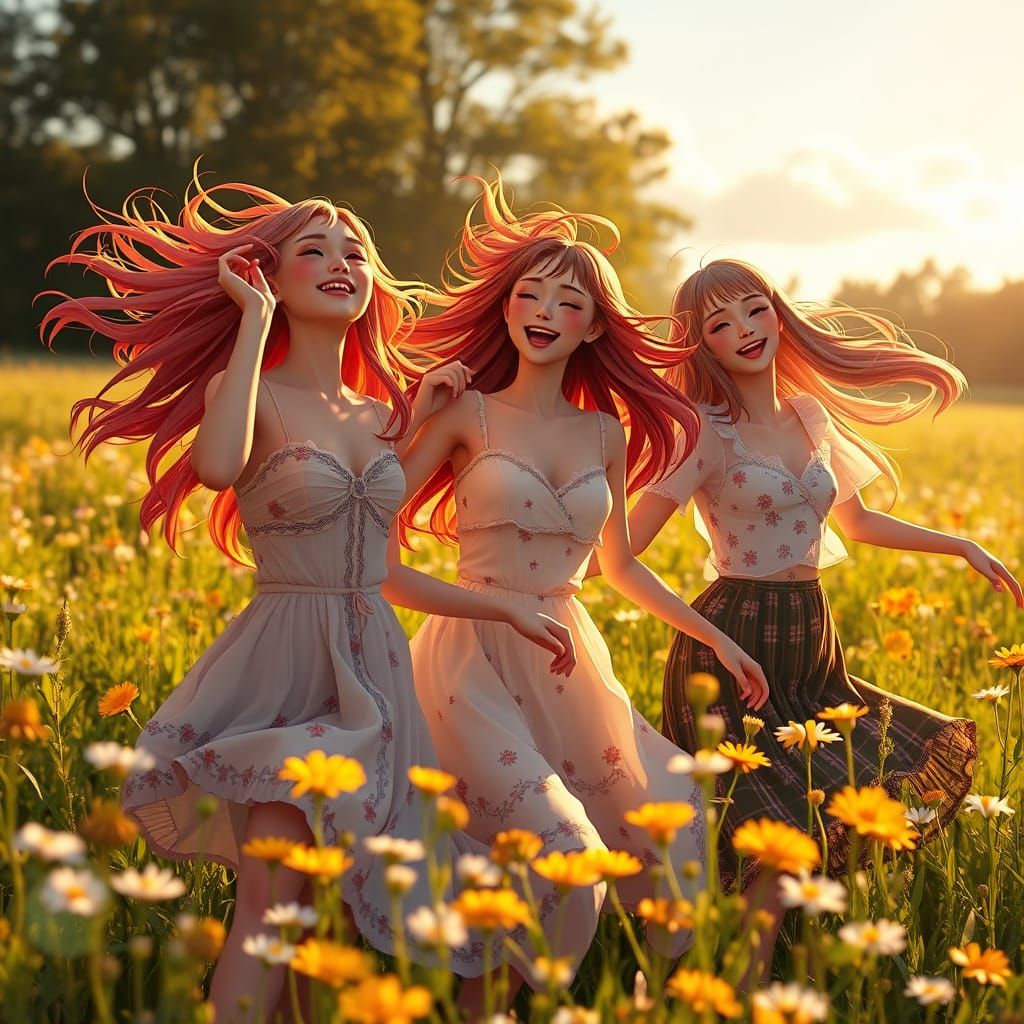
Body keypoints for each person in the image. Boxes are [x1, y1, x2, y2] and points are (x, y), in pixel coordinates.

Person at [40, 176, 576, 1022]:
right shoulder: (246, 393)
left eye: (356, 254)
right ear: (269, 275)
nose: (340, 265)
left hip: (377, 672)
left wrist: (503, 606)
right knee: (271, 900)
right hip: (283, 666)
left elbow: (385, 571)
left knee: (315, 913)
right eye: (313, 252)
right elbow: (218, 470)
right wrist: (252, 326)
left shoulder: (379, 413)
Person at [395, 180, 769, 995]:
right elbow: (370, 532)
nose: (540, 308)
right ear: (506, 311)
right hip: (470, 655)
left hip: (568, 661)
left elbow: (619, 565)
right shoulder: (467, 416)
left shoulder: (606, 431)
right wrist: (410, 413)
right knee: (560, 849)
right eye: (527, 294)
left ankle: (512, 999)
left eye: (565, 300)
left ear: (595, 325)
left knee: (672, 827)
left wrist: (715, 635)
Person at [627, 257, 1020, 967]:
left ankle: (712, 974)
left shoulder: (810, 415)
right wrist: (712, 638)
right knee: (767, 852)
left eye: (754, 309)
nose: (744, 330)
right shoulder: (704, 433)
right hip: (731, 643)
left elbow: (860, 522)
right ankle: (724, 994)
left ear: (778, 311)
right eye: (720, 323)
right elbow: (617, 560)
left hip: (811, 642)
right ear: (702, 345)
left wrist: (959, 543)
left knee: (813, 820)